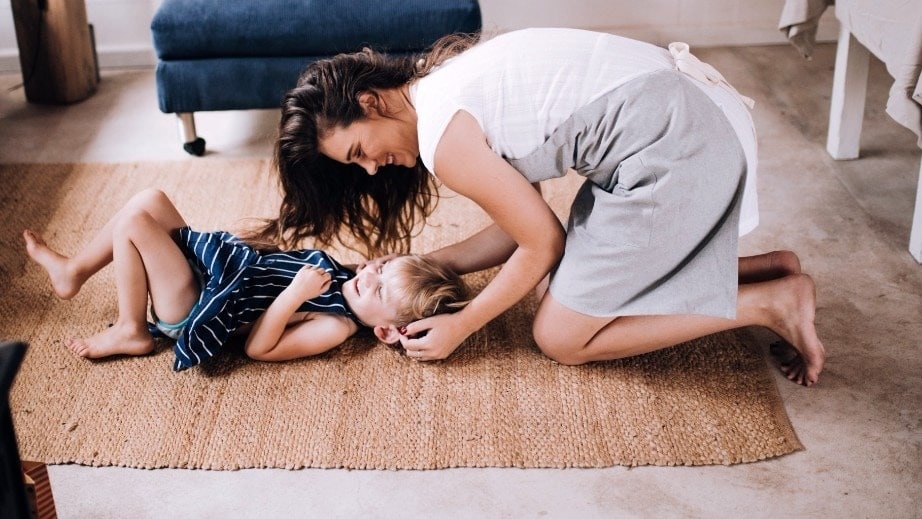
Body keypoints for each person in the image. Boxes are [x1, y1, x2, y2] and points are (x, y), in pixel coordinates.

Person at [261, 27, 826, 386]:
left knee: (560, 335)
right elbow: (517, 231)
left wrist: (463, 324)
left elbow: (541, 242)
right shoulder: (444, 81)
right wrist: (422, 266)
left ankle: (770, 303)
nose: (369, 168)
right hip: (694, 116)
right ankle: (763, 270)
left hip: (682, 148)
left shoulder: (442, 139)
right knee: (555, 285)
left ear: (370, 102)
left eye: (360, 150)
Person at [23, 189, 468, 371]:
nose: (370, 274)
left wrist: (295, 296)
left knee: (134, 225)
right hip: (215, 274)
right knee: (150, 199)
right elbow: (301, 266)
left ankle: (132, 329)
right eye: (381, 267)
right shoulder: (345, 279)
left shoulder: (334, 325)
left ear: (386, 330)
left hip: (198, 306)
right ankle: (74, 270)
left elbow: (260, 349)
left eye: (382, 289)